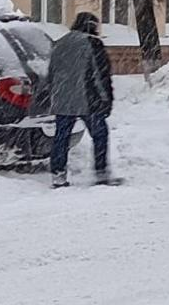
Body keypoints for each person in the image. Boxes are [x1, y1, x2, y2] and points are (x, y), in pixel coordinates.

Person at [48, 11, 118, 188]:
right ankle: (101, 173)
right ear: (93, 26)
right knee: (100, 135)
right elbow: (100, 75)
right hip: (88, 99)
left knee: (61, 137)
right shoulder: (93, 43)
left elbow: (51, 73)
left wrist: (55, 93)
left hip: (63, 97)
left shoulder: (60, 43)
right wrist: (106, 100)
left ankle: (58, 175)